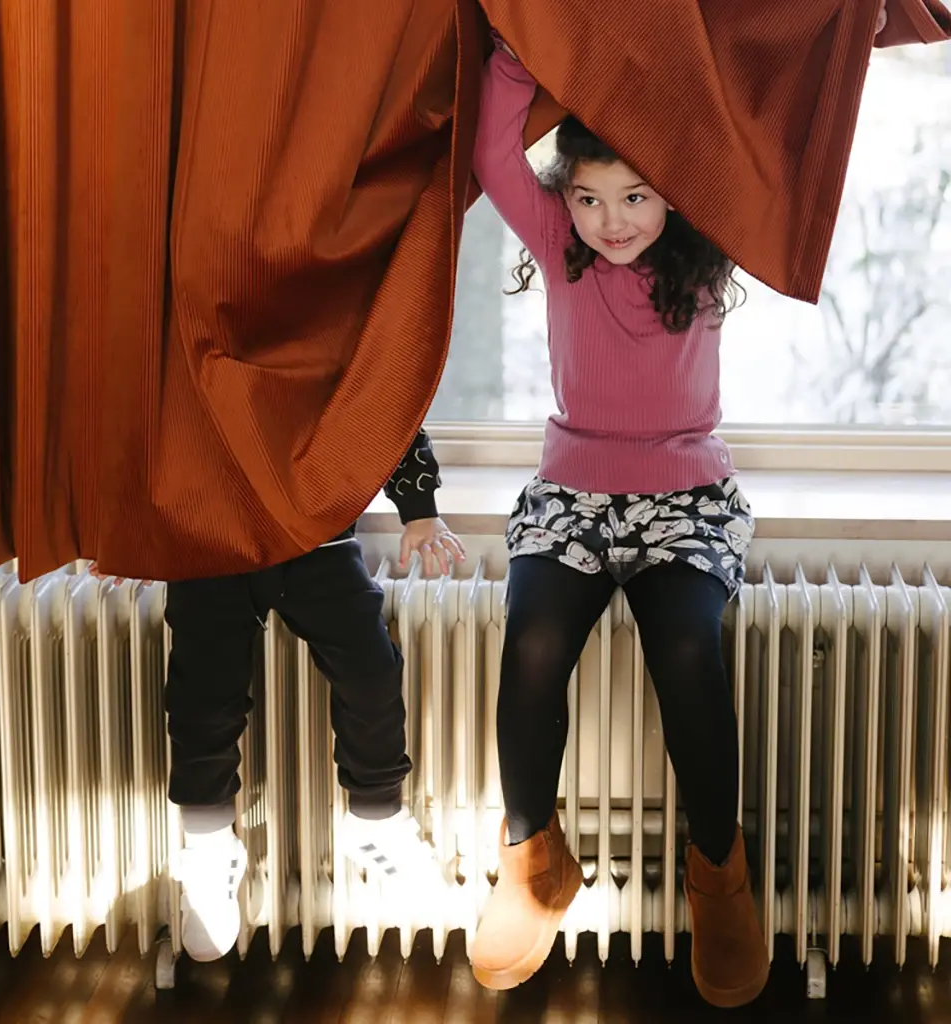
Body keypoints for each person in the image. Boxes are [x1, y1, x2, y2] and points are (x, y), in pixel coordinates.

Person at [468, 40, 767, 1008]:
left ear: (674, 190)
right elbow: (491, 148)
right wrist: (531, 41)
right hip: (574, 490)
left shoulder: (710, 236)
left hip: (687, 498)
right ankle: (531, 857)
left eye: (635, 196)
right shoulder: (559, 239)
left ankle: (717, 873)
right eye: (590, 197)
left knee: (685, 650)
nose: (611, 221)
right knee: (532, 643)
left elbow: (762, 128)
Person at [161, 428, 465, 962]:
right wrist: (118, 532)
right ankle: (208, 847)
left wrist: (418, 508)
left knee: (371, 673)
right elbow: (142, 416)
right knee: (203, 699)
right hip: (208, 536)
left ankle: (376, 818)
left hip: (315, 536)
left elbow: (383, 401)